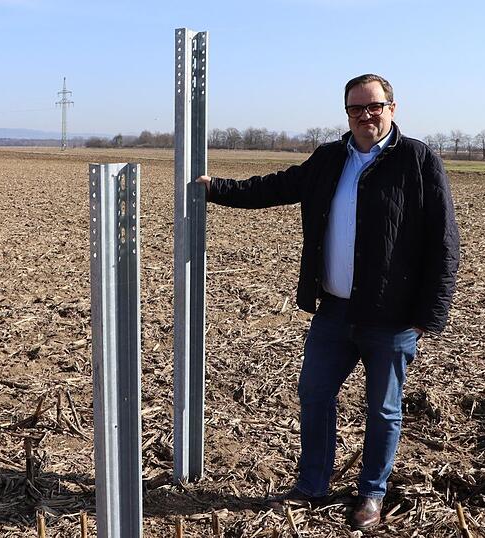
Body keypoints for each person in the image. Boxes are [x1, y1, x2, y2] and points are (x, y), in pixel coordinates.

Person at [196, 74, 460, 529]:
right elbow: (277, 186)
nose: (365, 115)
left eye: (374, 106)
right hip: (334, 311)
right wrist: (217, 188)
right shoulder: (330, 158)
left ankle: (371, 495)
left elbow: (445, 243)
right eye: (356, 108)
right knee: (315, 395)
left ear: (392, 108)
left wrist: (428, 316)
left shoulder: (418, 160)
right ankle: (311, 485)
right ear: (347, 113)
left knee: (383, 410)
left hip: (391, 317)